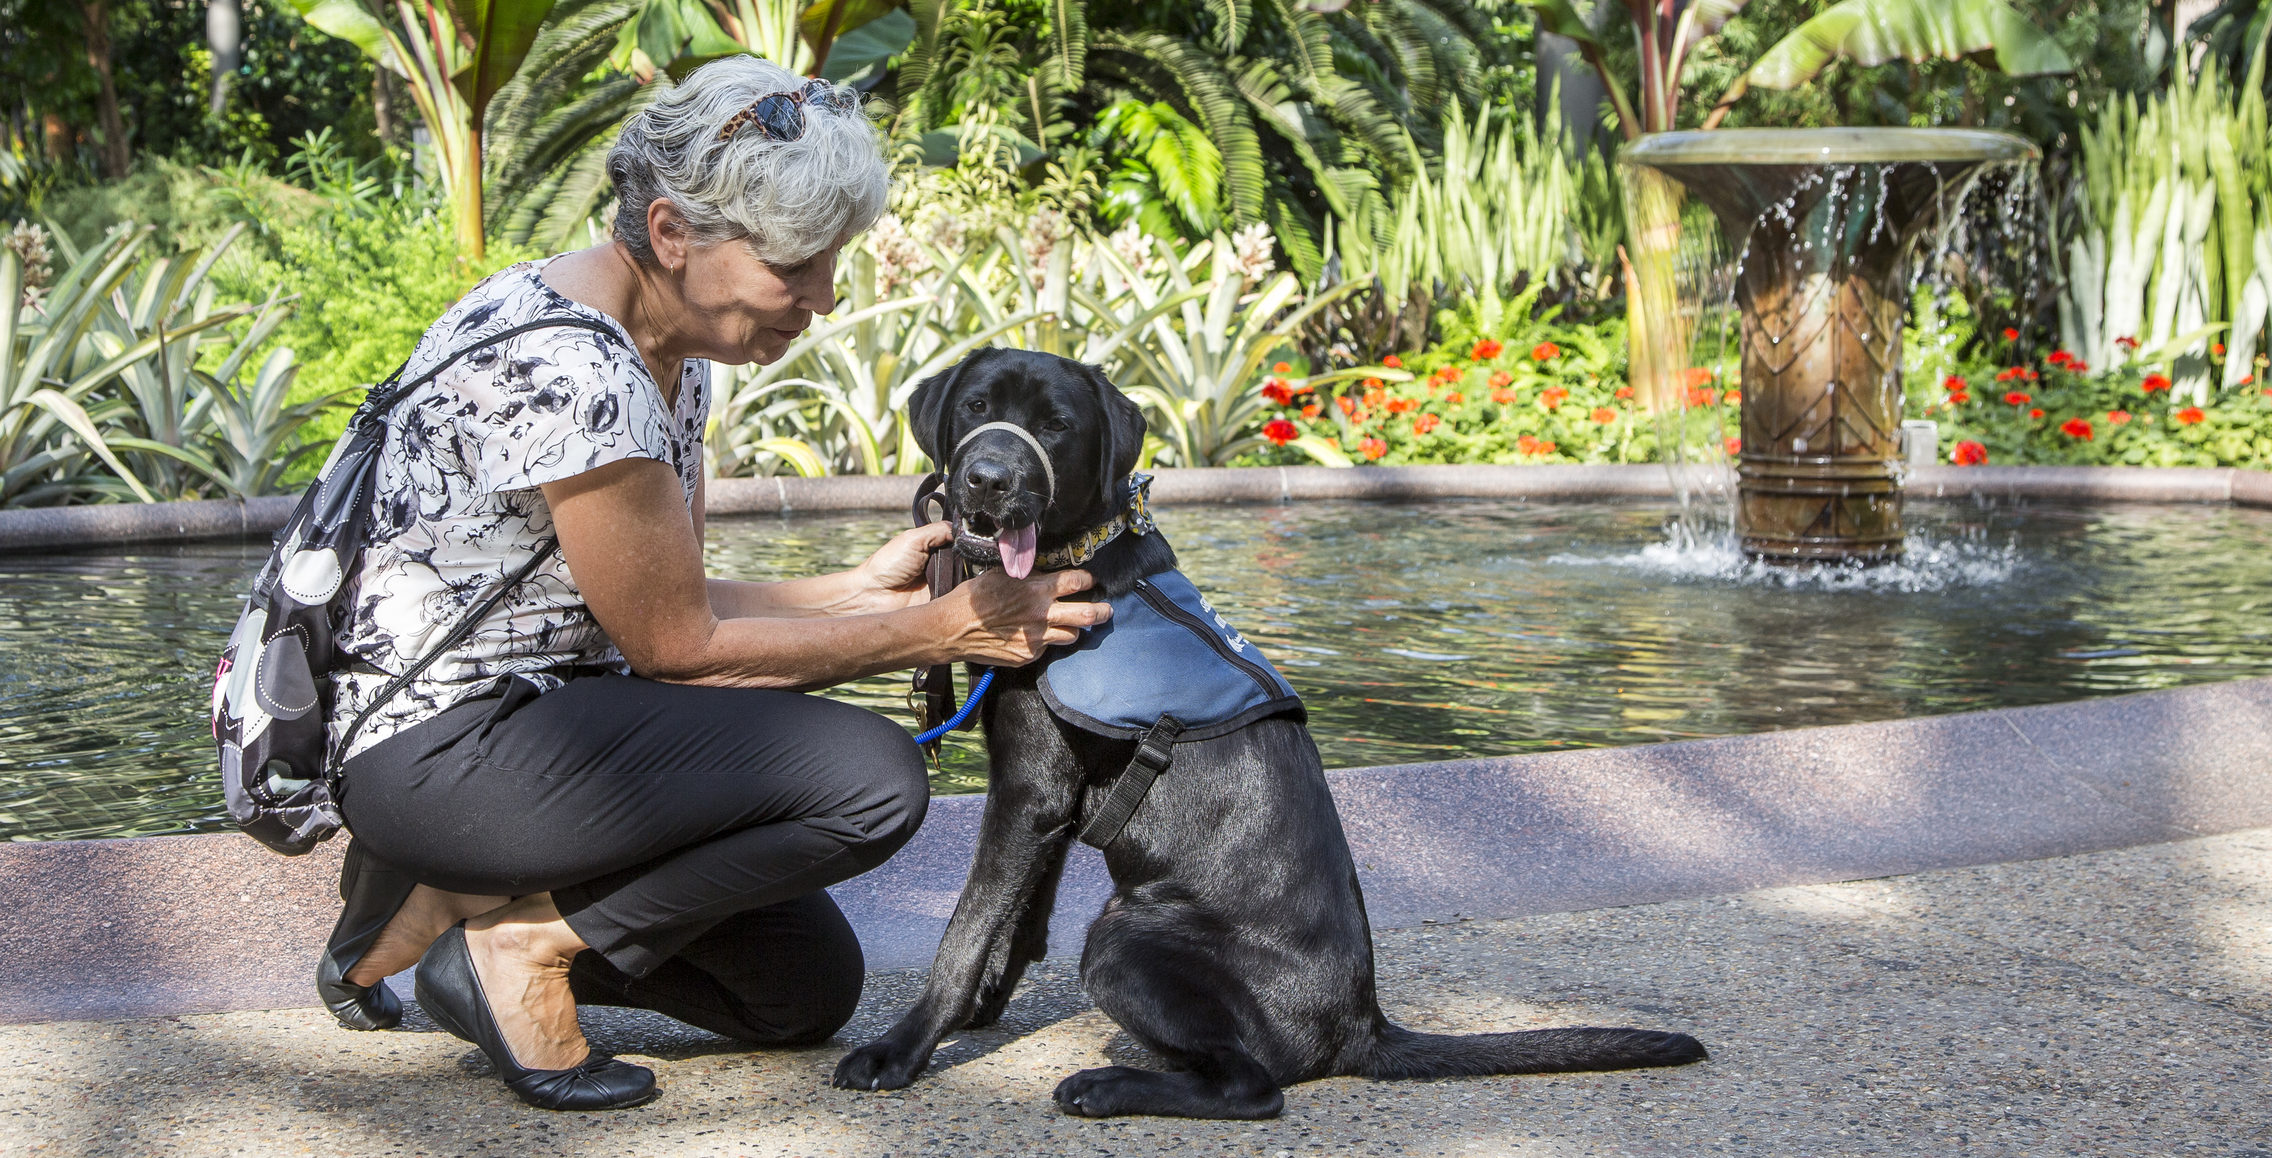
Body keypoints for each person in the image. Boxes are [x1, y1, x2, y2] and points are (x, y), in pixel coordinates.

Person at [311, 55, 1110, 1112]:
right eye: (796, 265)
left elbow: (657, 601)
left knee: (799, 996)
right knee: (869, 778)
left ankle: (453, 892)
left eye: (834, 263)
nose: (823, 299)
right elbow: (675, 652)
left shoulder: (663, 345)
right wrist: (946, 630)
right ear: (675, 233)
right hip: (445, 745)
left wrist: (856, 591)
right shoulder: (576, 371)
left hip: (552, 717)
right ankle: (521, 950)